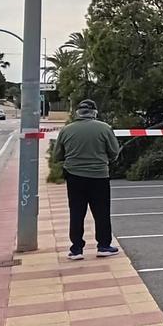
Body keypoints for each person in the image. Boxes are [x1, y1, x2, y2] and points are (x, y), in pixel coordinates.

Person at [54, 99, 121, 260]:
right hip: (99, 176)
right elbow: (114, 152)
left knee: (76, 212)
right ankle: (103, 246)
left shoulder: (66, 130)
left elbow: (57, 155)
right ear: (94, 112)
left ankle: (76, 249)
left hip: (74, 177)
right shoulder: (104, 128)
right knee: (102, 212)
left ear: (77, 112)